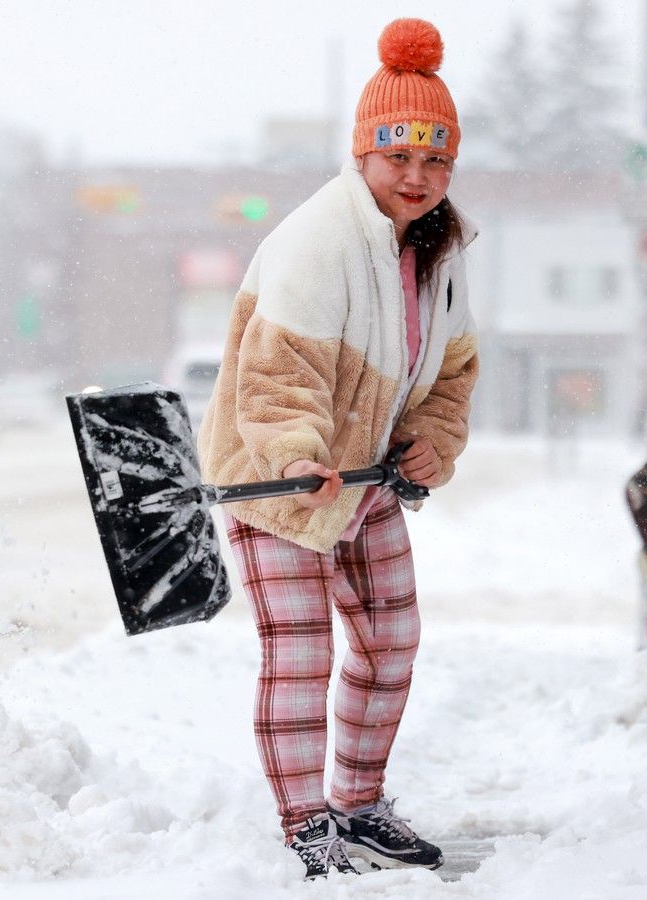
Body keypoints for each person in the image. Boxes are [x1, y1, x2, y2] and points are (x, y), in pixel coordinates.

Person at [197, 18, 478, 879]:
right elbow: (276, 375)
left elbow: (454, 372)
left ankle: (358, 806)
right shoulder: (318, 241)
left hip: (367, 479)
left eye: (435, 162)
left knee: (392, 643)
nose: (418, 177)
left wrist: (431, 442)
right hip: (277, 482)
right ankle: (305, 825)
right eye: (400, 157)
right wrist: (293, 455)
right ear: (364, 155)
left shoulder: (439, 253)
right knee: (303, 652)